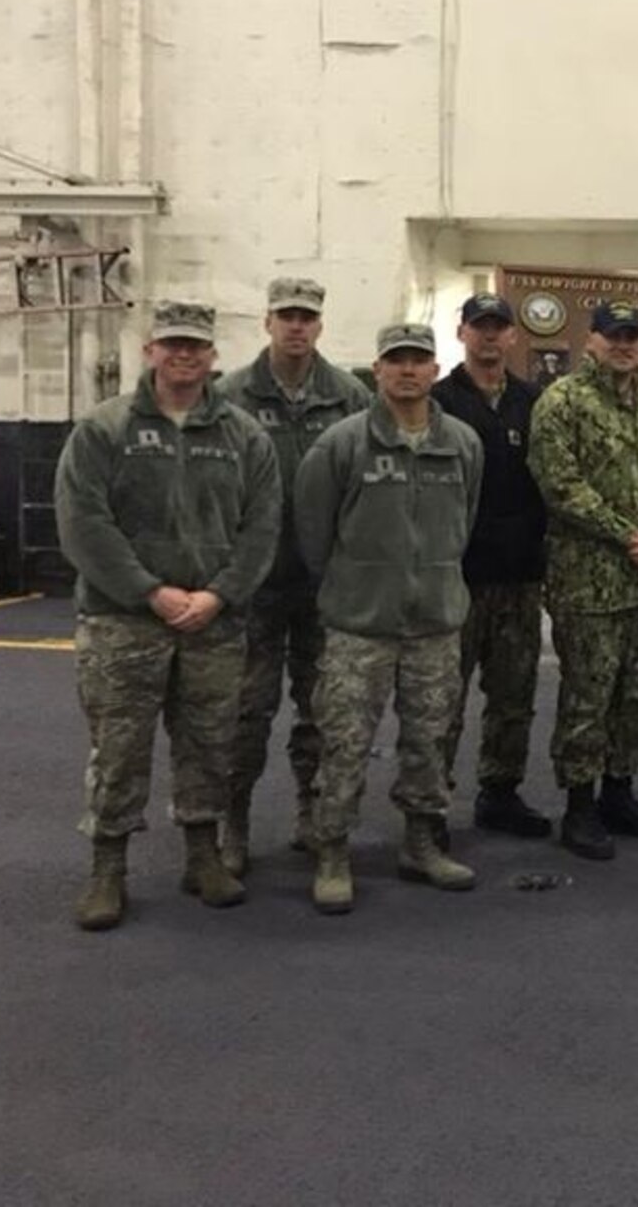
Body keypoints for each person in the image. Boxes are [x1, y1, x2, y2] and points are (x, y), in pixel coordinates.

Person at [55, 301, 281, 931]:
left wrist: (220, 595)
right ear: (149, 350)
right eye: (172, 344)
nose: (184, 354)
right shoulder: (104, 429)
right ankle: (108, 869)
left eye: (196, 346)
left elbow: (262, 527)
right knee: (119, 747)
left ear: (213, 357)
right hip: (122, 620)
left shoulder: (244, 436)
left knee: (210, 742)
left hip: (214, 621)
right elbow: (83, 524)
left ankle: (203, 855)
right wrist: (150, 592)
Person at [295, 323, 484, 913]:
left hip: (435, 624)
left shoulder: (463, 444)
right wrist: (355, 586)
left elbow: (465, 522)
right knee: (344, 743)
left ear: (435, 371)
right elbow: (313, 533)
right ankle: (332, 851)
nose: (408, 370)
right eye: (396, 360)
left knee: (429, 741)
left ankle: (421, 843)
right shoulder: (341, 444)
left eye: (418, 360)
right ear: (376, 370)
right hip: (360, 625)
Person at [215, 276, 371, 875]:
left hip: (323, 585)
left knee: (323, 710)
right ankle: (233, 822)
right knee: (245, 711)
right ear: (268, 322)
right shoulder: (230, 395)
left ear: (320, 326)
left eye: (306, 317)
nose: (297, 326)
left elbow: (362, 485)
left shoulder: (349, 396)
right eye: (287, 316)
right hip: (253, 584)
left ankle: (312, 811)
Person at [527, 300, 638, 861]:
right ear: (591, 340)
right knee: (588, 696)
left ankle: (619, 792)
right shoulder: (562, 401)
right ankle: (579, 806)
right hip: (589, 584)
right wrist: (628, 536)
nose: (623, 345)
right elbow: (560, 485)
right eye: (612, 335)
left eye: (631, 336)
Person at [429, 292, 554, 841]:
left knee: (513, 696)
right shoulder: (438, 401)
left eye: (498, 326)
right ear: (462, 333)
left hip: (520, 575)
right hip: (456, 578)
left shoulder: (534, 401)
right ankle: (430, 805)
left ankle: (500, 792)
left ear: (512, 336)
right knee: (442, 700)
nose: (489, 335)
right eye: (479, 326)